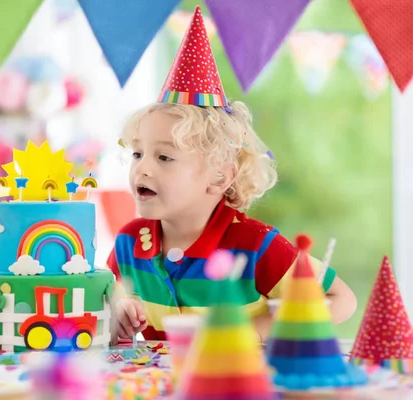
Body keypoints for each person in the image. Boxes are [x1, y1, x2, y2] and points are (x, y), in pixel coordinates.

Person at [107, 6, 357, 343]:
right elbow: (103, 302)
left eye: (165, 156)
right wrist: (116, 311)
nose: (143, 167)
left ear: (219, 178)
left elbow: (341, 301)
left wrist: (252, 332)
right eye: (138, 153)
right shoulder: (128, 244)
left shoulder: (254, 245)